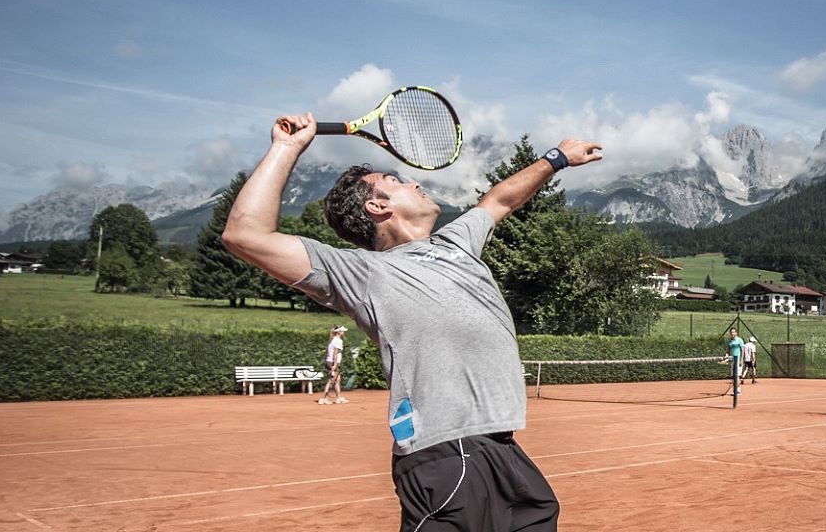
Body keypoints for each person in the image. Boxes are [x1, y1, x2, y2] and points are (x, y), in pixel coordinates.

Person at [222, 112, 600, 531]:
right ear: (377, 205)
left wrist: (557, 158)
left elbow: (500, 200)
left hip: (504, 448)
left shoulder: (457, 242)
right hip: (445, 454)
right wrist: (287, 147)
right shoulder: (362, 273)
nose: (415, 182)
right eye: (396, 181)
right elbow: (245, 235)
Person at [319, 326, 349, 405]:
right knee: (331, 381)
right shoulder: (338, 341)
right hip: (333, 362)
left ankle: (338, 398)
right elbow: (335, 353)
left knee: (337, 380)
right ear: (338, 332)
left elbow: (327, 351)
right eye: (342, 331)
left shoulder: (332, 340)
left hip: (330, 361)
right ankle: (323, 398)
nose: (344, 332)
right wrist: (335, 365)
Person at [724, 327, 744, 395]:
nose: (732, 333)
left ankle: (737, 390)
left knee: (737, 375)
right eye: (731, 332)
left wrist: (741, 360)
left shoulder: (739, 340)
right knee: (733, 376)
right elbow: (727, 351)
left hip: (738, 360)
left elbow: (742, 350)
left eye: (733, 332)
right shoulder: (729, 342)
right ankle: (737, 389)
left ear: (736, 333)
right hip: (732, 361)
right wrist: (726, 356)